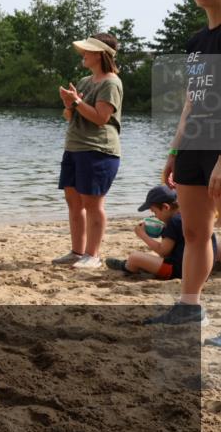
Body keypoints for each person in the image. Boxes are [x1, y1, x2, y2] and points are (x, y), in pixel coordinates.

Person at [149, 0, 221, 326]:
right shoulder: (196, 42)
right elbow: (191, 100)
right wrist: (174, 150)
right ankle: (190, 307)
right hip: (195, 142)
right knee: (195, 231)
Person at [50, 33, 123, 269]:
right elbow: (70, 116)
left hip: (98, 149)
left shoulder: (111, 82)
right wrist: (69, 104)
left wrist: (78, 103)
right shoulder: (84, 81)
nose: (83, 54)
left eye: (88, 50)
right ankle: (77, 252)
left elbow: (101, 118)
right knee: (73, 202)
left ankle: (93, 255)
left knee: (93, 204)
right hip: (74, 147)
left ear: (101, 54)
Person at [106, 185, 217, 279]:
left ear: (165, 207)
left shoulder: (173, 222)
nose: (155, 216)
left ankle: (126, 266)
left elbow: (163, 252)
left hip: (179, 271)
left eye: (154, 212)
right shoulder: (189, 213)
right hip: (205, 266)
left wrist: (143, 235)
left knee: (135, 257)